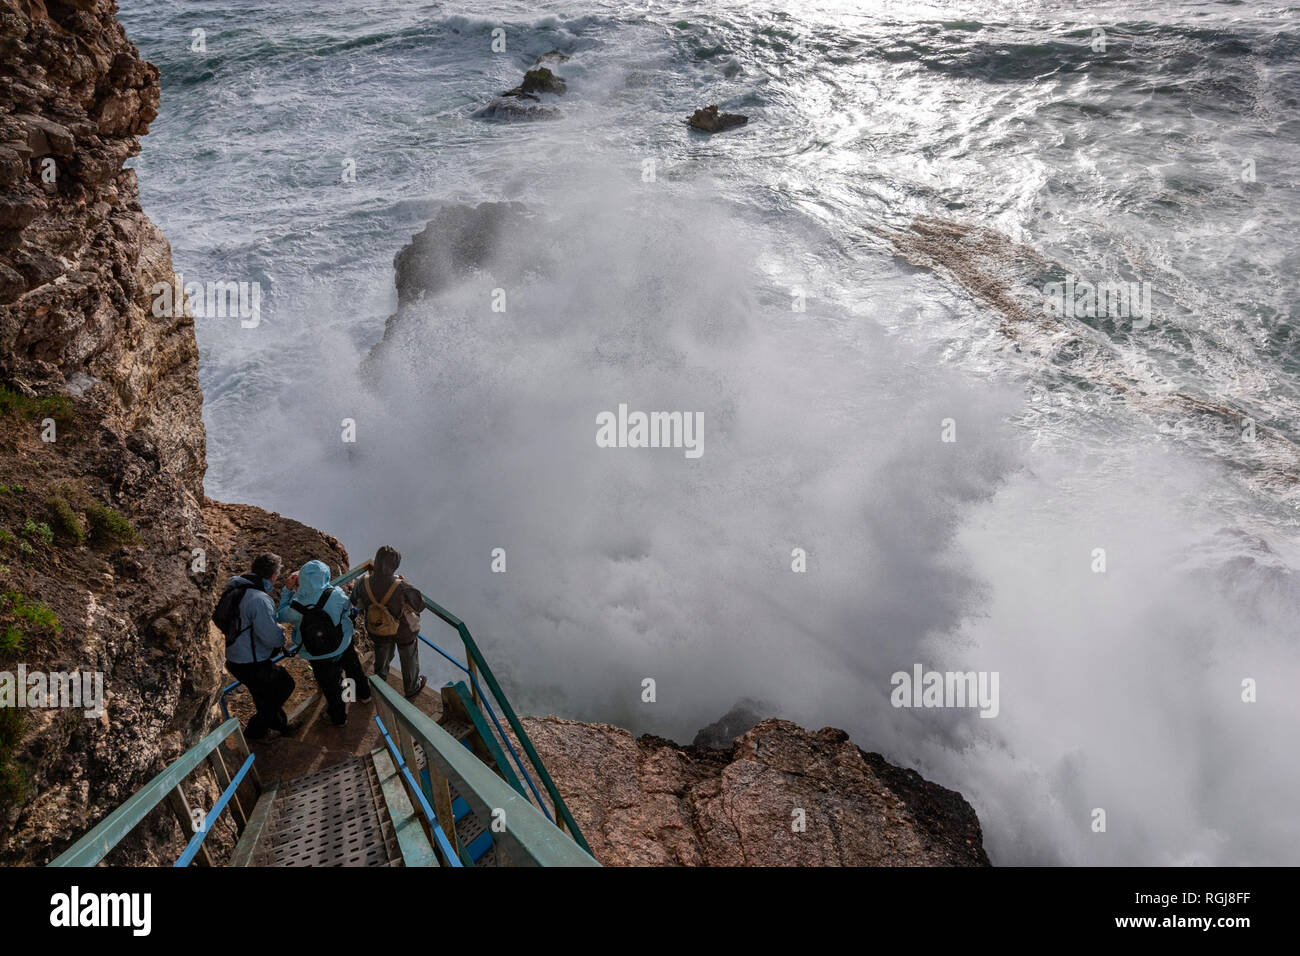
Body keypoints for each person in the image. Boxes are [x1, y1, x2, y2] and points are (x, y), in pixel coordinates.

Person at [277, 559, 371, 726]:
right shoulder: (335, 594)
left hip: (316, 653)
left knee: (331, 687)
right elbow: (348, 610)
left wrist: (287, 590)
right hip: (341, 643)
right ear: (326, 576)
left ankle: (339, 719)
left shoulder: (295, 605)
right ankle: (364, 695)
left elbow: (281, 615)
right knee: (354, 670)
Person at [217, 552, 295, 740]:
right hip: (251, 662)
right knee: (285, 685)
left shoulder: (236, 587)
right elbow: (271, 637)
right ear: (273, 575)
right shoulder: (260, 599)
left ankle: (279, 726)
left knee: (263, 695)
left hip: (234, 657)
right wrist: (281, 634)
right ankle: (254, 732)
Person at [351, 546, 427, 699]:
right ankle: (411, 687)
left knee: (382, 653)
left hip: (378, 628)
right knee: (408, 657)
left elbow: (354, 600)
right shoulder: (402, 587)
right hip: (403, 632)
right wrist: (405, 582)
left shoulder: (363, 582)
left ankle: (380, 681)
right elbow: (420, 605)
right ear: (395, 565)